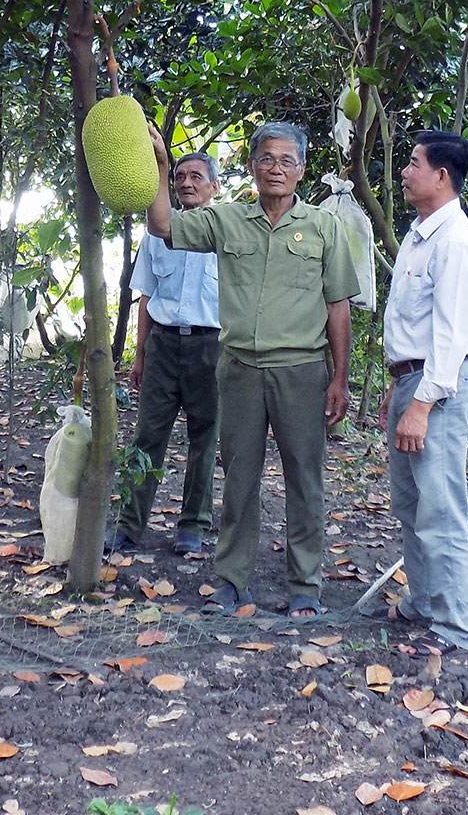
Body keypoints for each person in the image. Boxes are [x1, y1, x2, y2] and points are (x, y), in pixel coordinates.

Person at [146, 122, 359, 618]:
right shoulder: (227, 221)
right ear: (252, 166)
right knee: (239, 478)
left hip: (302, 371)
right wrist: (160, 166)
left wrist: (339, 377)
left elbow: (338, 306)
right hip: (239, 369)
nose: (276, 169)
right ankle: (231, 580)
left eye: (287, 160)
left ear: (302, 169)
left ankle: (305, 585)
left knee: (305, 480)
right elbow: (163, 225)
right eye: (267, 159)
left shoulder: (325, 229)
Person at [371, 130, 468, 658]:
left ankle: (454, 628)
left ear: (441, 175)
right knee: (411, 503)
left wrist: (420, 403)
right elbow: (410, 327)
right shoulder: (421, 235)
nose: (404, 171)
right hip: (412, 382)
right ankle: (423, 600)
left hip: (438, 389)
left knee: (441, 510)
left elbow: (449, 336)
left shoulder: (456, 243)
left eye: (413, 163)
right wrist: (398, 391)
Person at [107, 153, 222, 557]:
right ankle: (128, 525)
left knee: (204, 438)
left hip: (211, 347)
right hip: (163, 345)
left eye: (197, 176)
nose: (187, 183)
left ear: (214, 187)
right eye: (180, 176)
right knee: (148, 435)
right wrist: (140, 355)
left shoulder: (226, 232)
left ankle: (193, 524)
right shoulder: (156, 233)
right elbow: (146, 296)